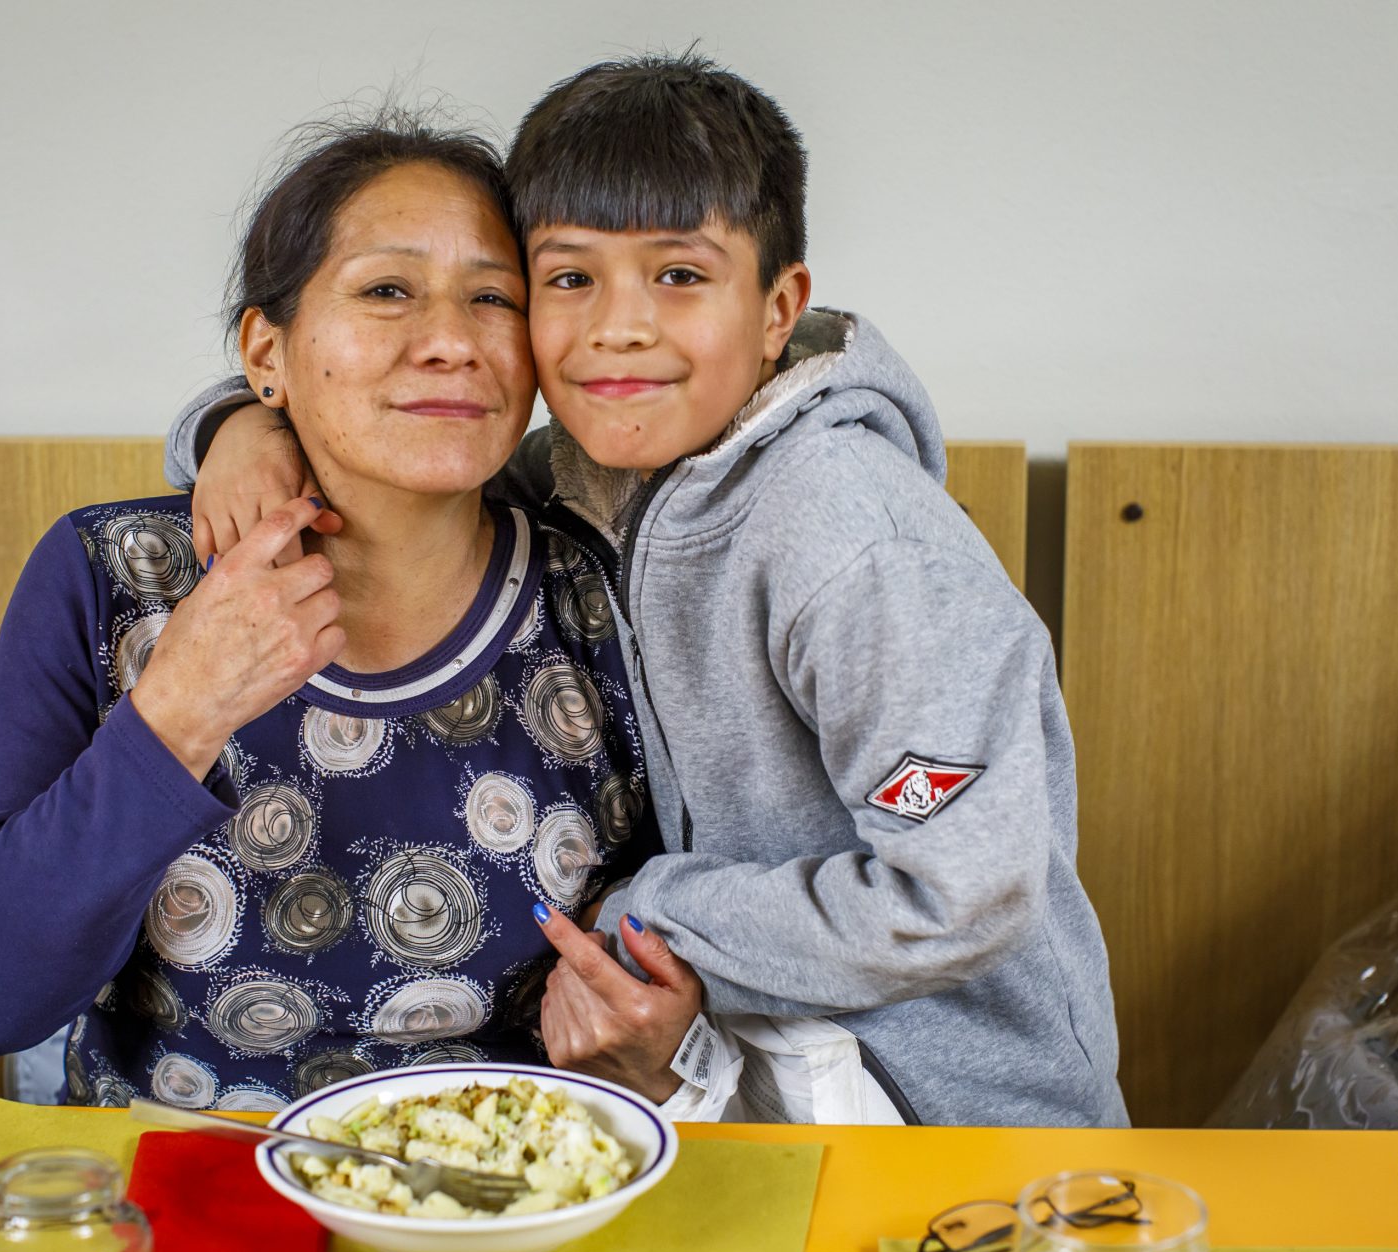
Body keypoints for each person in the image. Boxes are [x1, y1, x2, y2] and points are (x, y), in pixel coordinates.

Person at [167, 55, 1128, 1127]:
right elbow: (379, 432)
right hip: (750, 1083)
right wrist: (236, 427)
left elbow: (962, 892)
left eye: (680, 275)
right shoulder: (588, 477)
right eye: (570, 279)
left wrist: (649, 911)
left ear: (779, 308)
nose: (619, 327)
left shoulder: (856, 537)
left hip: (963, 1118)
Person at [0, 115, 668, 1109]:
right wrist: (175, 712)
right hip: (178, 1195)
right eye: (388, 290)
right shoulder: (115, 578)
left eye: (494, 297)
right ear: (265, 352)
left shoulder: (605, 601)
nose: (450, 341)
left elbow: (667, 934)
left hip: (502, 1192)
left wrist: (660, 1027)